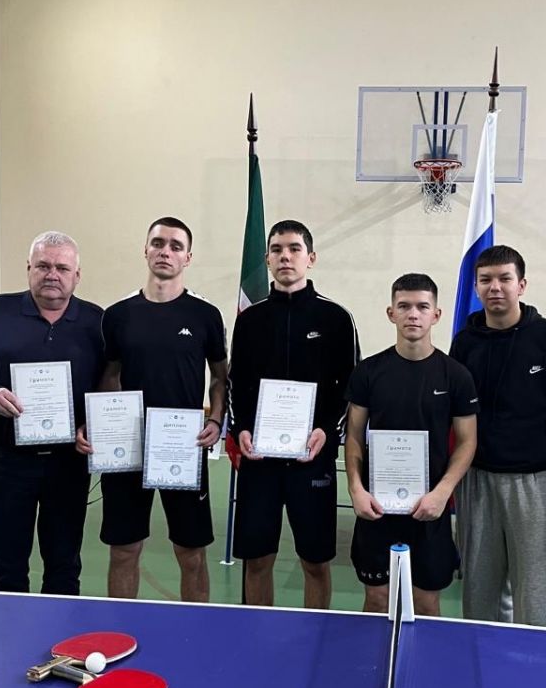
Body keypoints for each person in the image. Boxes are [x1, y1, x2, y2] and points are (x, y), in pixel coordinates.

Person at [78, 217, 226, 602]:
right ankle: (121, 625)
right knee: (124, 549)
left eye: (176, 246)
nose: (165, 251)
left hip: (184, 445)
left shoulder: (205, 315)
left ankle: (195, 627)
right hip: (127, 449)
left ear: (187, 257)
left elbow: (219, 376)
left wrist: (215, 418)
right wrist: (103, 424)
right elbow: (110, 375)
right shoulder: (118, 315)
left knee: (191, 553)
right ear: (145, 250)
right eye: (158, 243)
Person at [0, 232, 103, 594]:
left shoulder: (97, 321)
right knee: (8, 566)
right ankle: (8, 630)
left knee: (64, 565)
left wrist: (94, 423)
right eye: (43, 266)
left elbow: (110, 382)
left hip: (69, 464)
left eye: (62, 268)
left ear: (77, 275)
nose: (52, 274)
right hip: (8, 461)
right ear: (29, 269)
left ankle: (61, 630)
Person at [450, 245, 546, 627]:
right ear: (476, 287)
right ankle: (481, 658)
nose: (495, 287)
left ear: (521, 285)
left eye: (504, 279)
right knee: (479, 593)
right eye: (486, 280)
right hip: (477, 481)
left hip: (536, 483)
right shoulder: (465, 343)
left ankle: (536, 659)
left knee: (536, 594)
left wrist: (542, 454)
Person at [229, 220, 359, 608]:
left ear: (311, 258)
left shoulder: (336, 318)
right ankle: (256, 632)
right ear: (267, 259)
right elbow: (236, 382)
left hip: (312, 459)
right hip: (260, 460)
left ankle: (316, 633)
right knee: (257, 560)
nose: (285, 256)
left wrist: (327, 431)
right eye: (277, 250)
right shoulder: (249, 320)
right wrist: (241, 430)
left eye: (294, 249)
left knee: (315, 562)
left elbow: (351, 387)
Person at [345, 273, 477, 616]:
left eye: (422, 307)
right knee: (377, 599)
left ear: (437, 314)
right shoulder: (368, 372)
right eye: (404, 306)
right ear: (391, 313)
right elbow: (354, 435)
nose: (413, 314)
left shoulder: (456, 375)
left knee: (425, 602)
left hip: (429, 509)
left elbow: (467, 441)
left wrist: (442, 493)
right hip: (377, 506)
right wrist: (356, 489)